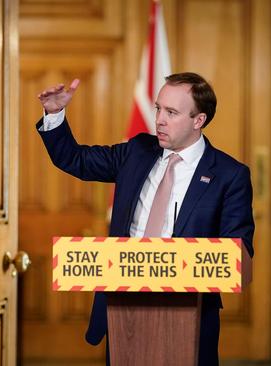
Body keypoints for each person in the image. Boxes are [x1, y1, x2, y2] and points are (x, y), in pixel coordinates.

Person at [36, 72, 255, 366]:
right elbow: (76, 159)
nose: (160, 120)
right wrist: (54, 113)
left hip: (189, 314)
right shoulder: (137, 152)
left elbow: (237, 254)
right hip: (123, 308)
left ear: (198, 120)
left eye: (172, 112)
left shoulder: (230, 175)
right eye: (158, 109)